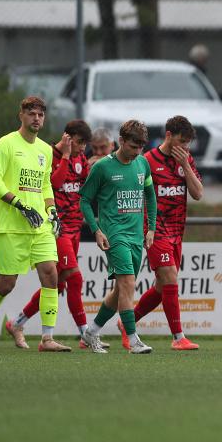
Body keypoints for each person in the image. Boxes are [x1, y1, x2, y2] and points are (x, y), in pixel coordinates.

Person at [0, 96, 69, 352]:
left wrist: (52, 211)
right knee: (6, 284)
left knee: (51, 275)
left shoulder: (46, 150)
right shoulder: (6, 144)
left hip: (40, 226)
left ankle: (47, 339)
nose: (36, 118)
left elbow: (45, 184)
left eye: (41, 115)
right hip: (12, 226)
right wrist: (19, 204)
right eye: (31, 113)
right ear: (21, 116)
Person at [6, 120, 106, 350]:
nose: (83, 149)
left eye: (84, 145)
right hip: (56, 227)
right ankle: (86, 335)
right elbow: (54, 183)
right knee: (75, 278)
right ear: (68, 138)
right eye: (80, 143)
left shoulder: (81, 158)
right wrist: (66, 157)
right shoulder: (48, 153)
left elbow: (85, 187)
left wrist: (97, 167)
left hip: (75, 227)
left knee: (57, 284)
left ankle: (17, 323)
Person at [115, 116, 204, 351]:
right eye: (181, 141)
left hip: (177, 232)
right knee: (170, 277)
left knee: (162, 287)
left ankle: (127, 323)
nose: (185, 147)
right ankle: (178, 337)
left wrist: (185, 166)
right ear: (168, 136)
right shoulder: (147, 161)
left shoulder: (186, 160)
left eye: (188, 143)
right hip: (153, 231)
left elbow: (198, 194)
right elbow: (133, 194)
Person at [79, 120, 157, 354]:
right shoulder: (102, 167)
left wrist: (151, 228)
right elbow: (84, 200)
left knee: (118, 291)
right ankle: (133, 340)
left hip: (136, 236)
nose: (137, 152)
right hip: (114, 235)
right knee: (128, 284)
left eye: (140, 147)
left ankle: (91, 332)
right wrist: (97, 229)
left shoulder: (142, 163)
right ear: (121, 142)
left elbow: (150, 196)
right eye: (133, 147)